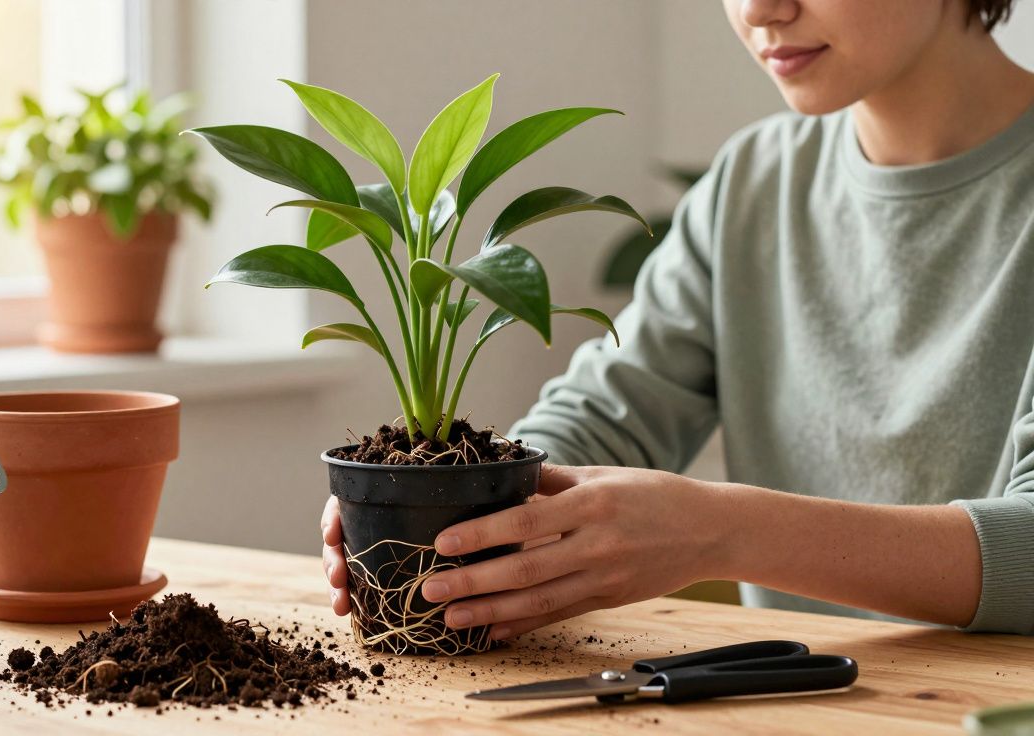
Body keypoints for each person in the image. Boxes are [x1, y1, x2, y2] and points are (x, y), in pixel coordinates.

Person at [321, 0, 1034, 640]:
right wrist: (466, 510)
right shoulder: (753, 181)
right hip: (797, 706)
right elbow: (609, 410)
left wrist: (724, 533)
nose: (759, 10)